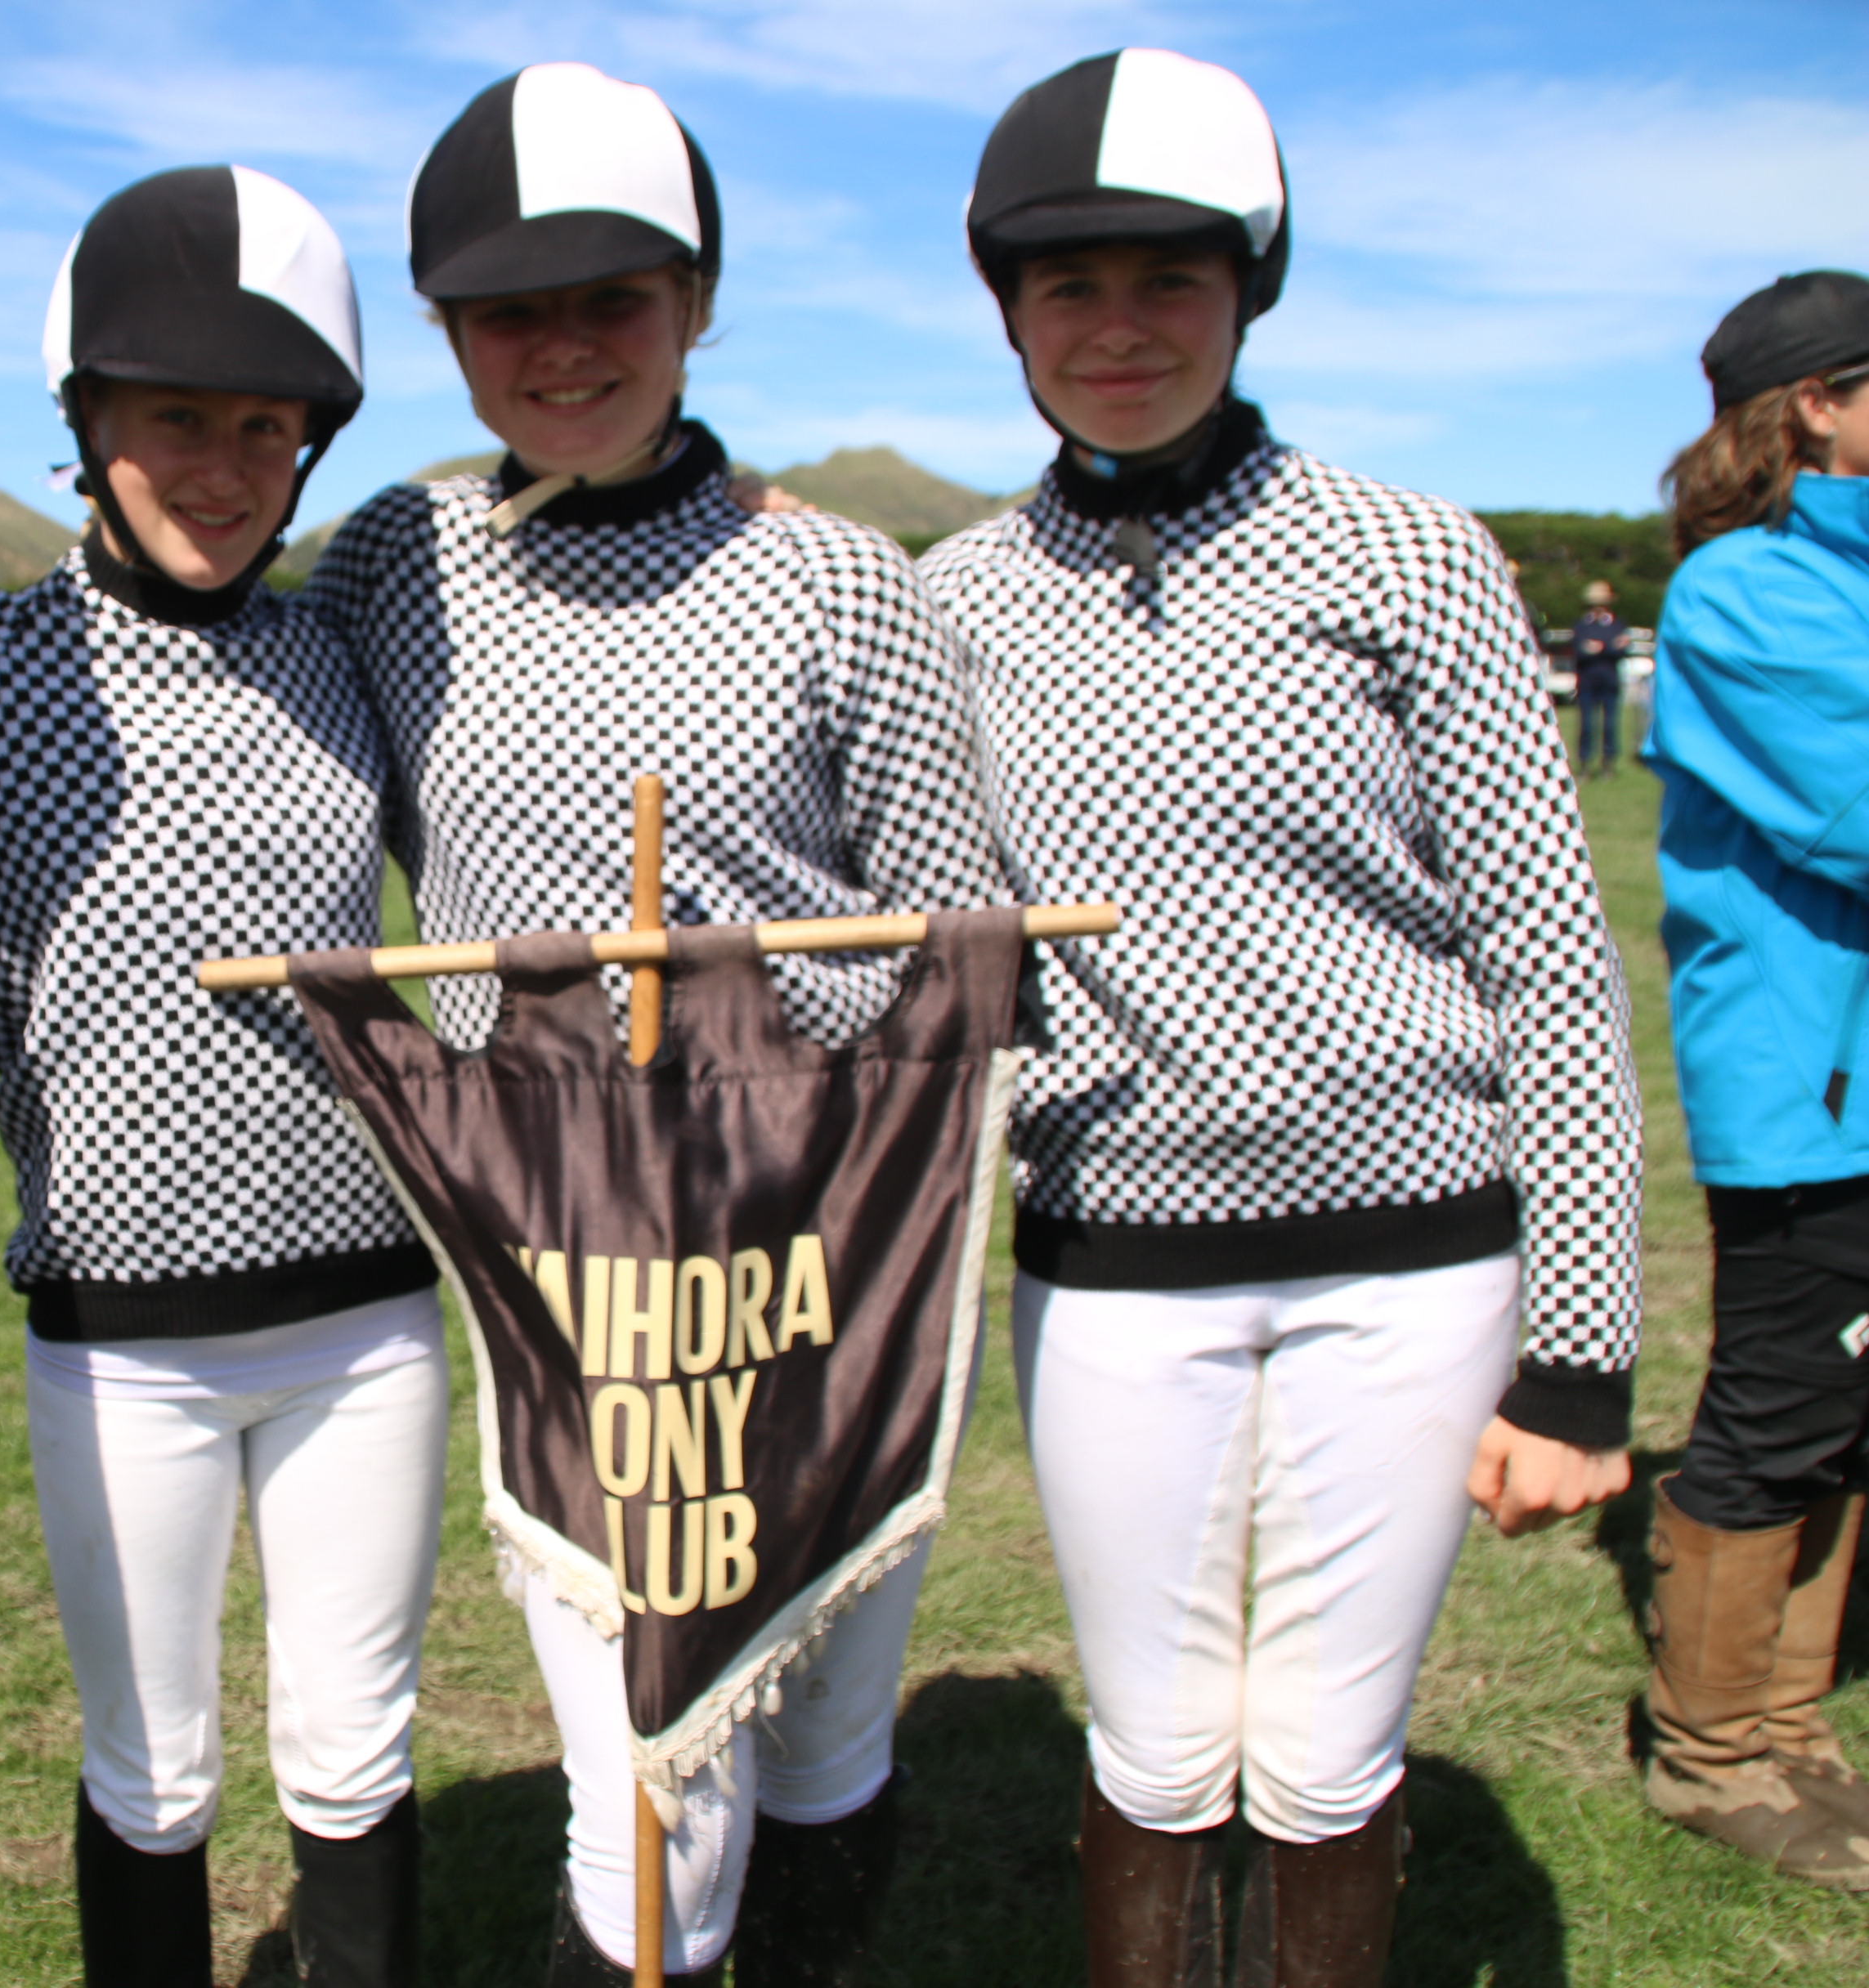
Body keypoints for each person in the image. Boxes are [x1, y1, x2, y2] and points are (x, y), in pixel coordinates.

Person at [917, 50, 1641, 1986]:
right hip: (1113, 1265)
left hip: (1408, 1268)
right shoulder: (956, 594)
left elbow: (1554, 964)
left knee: (1322, 1761)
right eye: (1068, 288)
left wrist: (1576, 1360)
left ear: (1250, 287)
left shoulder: (1405, 555)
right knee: (1154, 1749)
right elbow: (927, 955)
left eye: (1169, 278)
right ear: (1008, 313)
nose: (1119, 328)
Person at [304, 62, 1011, 1984]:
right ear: (446, 332)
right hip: (573, 1273)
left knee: (827, 1718)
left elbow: (942, 955)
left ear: (696, 302)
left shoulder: (837, 579)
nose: (563, 348)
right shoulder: (396, 561)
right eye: (509, 311)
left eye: (611, 297)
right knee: (651, 1746)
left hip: (817, 1242)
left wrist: (746, 1073)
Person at [0, 168, 447, 1986]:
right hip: (121, 1340)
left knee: (357, 1747)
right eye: (173, 418)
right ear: (84, 423)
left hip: (368, 1316)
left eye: (265, 424)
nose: (221, 464)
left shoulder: (346, 644)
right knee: (155, 1765)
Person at [1637, 268, 1869, 1890]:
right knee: (1782, 1405)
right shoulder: (1744, 593)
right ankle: (1709, 1750)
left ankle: (1792, 1723)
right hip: (1813, 1085)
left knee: (1853, 1411)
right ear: (1819, 403)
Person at [1571, 579, 1629, 774]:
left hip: (1609, 680)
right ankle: (1585, 763)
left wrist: (1599, 647)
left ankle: (1608, 763)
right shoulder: (1581, 625)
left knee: (1610, 725)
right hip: (1587, 681)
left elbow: (1621, 652)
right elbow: (1580, 651)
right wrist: (1609, 646)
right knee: (1587, 724)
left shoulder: (1617, 625)